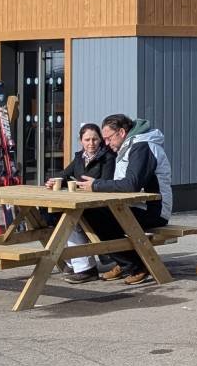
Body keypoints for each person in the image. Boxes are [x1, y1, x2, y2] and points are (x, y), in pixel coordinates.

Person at [72, 113, 173, 286]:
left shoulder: (142, 147)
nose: (106, 143)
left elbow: (130, 185)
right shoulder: (130, 146)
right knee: (91, 215)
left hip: (152, 210)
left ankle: (136, 265)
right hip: (134, 206)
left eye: (108, 138)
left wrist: (96, 185)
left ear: (121, 132)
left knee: (96, 217)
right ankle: (124, 262)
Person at [46, 123, 117, 283]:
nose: (91, 143)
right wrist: (52, 181)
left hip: (102, 207)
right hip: (83, 205)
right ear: (81, 141)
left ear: (101, 140)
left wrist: (95, 184)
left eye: (95, 139)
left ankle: (86, 268)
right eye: (87, 140)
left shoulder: (108, 158)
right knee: (49, 216)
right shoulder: (79, 158)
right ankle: (73, 261)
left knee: (70, 220)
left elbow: (108, 183)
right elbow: (65, 175)